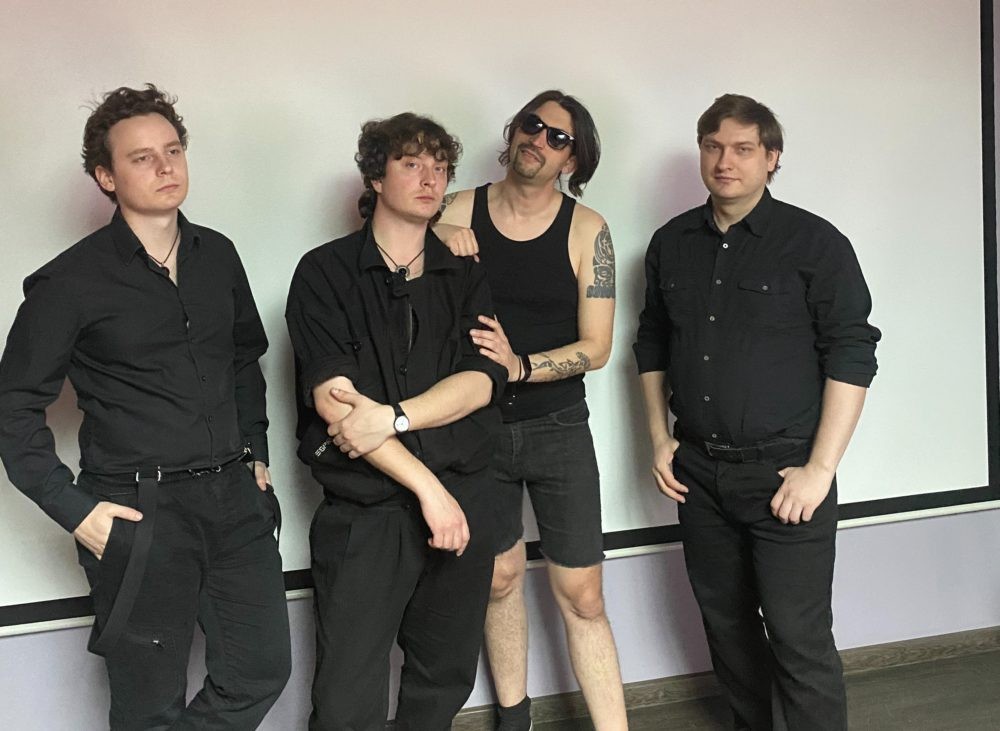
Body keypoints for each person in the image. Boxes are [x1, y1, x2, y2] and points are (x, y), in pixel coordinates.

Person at [0, 84, 290, 729]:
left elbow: (244, 361)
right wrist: (76, 512)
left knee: (260, 671)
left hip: (234, 500)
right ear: (106, 176)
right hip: (139, 509)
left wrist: (258, 456)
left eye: (173, 150)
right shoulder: (67, 282)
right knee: (148, 705)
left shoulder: (218, 254)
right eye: (141, 157)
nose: (165, 166)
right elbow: (13, 408)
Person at [634, 93, 881, 730]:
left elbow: (853, 354)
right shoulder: (671, 243)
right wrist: (659, 438)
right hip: (698, 474)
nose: (725, 161)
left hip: (784, 475)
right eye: (713, 147)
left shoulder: (815, 243)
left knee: (799, 639)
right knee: (729, 632)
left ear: (772, 158)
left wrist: (819, 470)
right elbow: (652, 342)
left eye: (743, 149)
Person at [285, 112, 507, 731]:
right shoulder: (324, 272)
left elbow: (481, 381)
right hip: (369, 512)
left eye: (440, 167)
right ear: (376, 177)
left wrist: (395, 417)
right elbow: (337, 406)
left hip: (465, 496)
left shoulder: (464, 272)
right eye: (412, 164)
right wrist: (428, 491)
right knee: (346, 695)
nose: (430, 178)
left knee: (444, 676)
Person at [437, 90, 626, 731]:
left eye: (558, 137)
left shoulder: (588, 229)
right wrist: (436, 235)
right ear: (514, 131)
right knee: (498, 578)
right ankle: (513, 720)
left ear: (573, 159)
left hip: (558, 427)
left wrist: (520, 365)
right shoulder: (455, 208)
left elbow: (597, 347)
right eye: (532, 125)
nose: (539, 140)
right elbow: (386, 243)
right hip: (477, 426)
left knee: (583, 595)